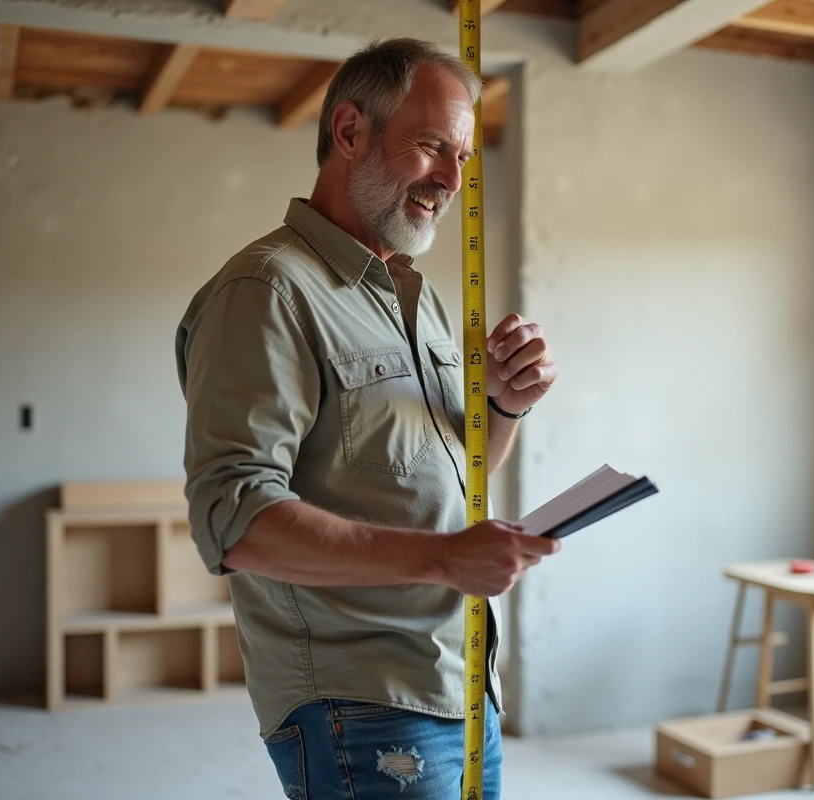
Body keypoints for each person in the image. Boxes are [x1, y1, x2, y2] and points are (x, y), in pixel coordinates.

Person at [174, 37, 560, 799]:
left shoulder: (417, 297)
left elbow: (456, 472)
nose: (452, 179)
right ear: (349, 132)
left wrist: (502, 406)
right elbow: (232, 517)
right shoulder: (268, 289)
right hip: (362, 705)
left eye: (462, 157)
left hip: (460, 681)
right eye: (430, 147)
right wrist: (444, 559)